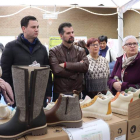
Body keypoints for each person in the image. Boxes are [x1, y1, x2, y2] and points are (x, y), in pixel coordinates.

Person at [1, 16, 52, 107]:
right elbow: (5, 73)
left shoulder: (43, 49)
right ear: (24, 28)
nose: (36, 30)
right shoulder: (11, 47)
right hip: (18, 95)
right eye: (33, 27)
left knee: (38, 120)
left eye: (37, 27)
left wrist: (48, 92)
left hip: (38, 95)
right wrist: (9, 94)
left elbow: (47, 73)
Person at [49, 22, 89, 101]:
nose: (71, 35)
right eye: (68, 33)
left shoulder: (80, 51)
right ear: (61, 35)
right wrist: (76, 72)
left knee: (76, 113)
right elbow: (57, 70)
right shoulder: (54, 51)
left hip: (76, 92)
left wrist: (66, 65)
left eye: (72, 32)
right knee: (58, 113)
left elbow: (85, 67)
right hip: (60, 93)